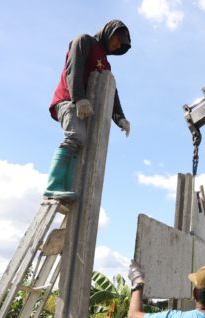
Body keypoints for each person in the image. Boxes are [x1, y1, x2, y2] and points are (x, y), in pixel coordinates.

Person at [44, 20, 132, 200]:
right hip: (68, 99)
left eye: (120, 44)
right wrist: (78, 97)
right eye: (116, 39)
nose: (116, 45)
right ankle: (53, 185)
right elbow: (73, 69)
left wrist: (120, 118)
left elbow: (111, 91)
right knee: (75, 136)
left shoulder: (106, 64)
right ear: (108, 32)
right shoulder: (84, 41)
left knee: (81, 144)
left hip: (84, 107)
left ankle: (66, 187)